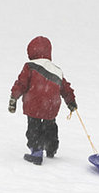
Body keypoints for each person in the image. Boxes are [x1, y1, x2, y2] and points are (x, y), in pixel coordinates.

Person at [8, 36, 77, 165]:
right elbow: (65, 88)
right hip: (51, 105)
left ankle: (36, 153)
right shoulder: (56, 70)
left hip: (33, 104)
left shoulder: (29, 66)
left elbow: (21, 84)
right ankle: (51, 148)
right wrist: (71, 102)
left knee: (34, 127)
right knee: (50, 125)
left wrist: (14, 97)